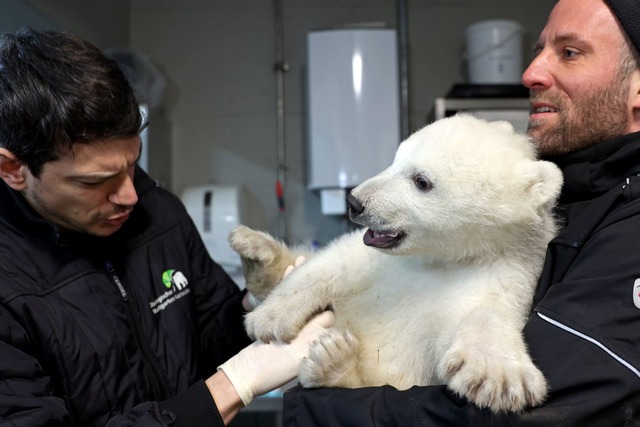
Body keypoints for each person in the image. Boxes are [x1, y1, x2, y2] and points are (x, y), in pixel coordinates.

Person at [281, 0, 640, 425]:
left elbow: (521, 416)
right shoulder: (570, 195)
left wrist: (312, 408)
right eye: (540, 48)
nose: (530, 73)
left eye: (570, 52)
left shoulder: (628, 230)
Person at [0, 28, 333, 426]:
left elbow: (208, 333)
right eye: (94, 181)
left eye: (132, 163)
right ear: (12, 169)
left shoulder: (157, 212)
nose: (129, 195)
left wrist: (254, 304)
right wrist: (236, 383)